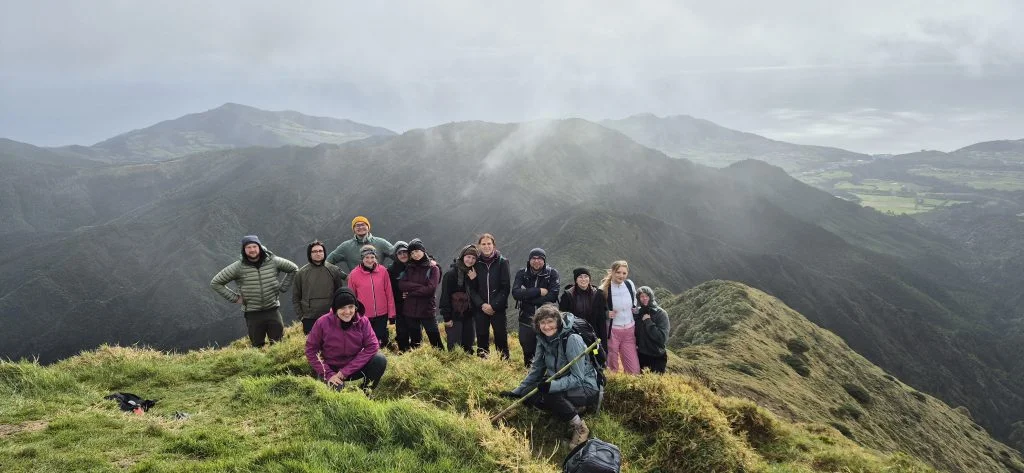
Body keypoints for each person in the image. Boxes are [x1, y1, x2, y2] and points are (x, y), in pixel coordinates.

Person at [499, 304, 596, 450]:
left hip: (585, 387)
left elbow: (578, 377)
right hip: (561, 383)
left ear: (557, 321)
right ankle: (565, 410)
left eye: (550, 321)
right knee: (528, 393)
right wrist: (517, 391)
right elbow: (537, 369)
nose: (547, 326)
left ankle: (579, 427)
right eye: (542, 323)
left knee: (550, 394)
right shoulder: (543, 339)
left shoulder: (572, 340)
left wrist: (552, 386)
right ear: (538, 325)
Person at [211, 235, 298, 348]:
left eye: (254, 246)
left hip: (272, 310)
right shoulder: (238, 267)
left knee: (278, 343)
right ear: (244, 250)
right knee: (257, 346)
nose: (252, 250)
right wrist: (235, 298)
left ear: (260, 247)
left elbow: (293, 269)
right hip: (253, 313)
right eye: (248, 247)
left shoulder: (273, 261)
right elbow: (216, 282)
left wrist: (283, 287)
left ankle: (277, 364)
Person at [305, 288, 388, 393]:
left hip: (353, 367)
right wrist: (328, 373)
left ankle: (365, 393)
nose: (347, 312)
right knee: (336, 396)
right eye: (342, 308)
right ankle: (328, 382)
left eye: (351, 307)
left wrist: (346, 371)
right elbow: (311, 350)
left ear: (355, 307)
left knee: (380, 360)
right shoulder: (322, 323)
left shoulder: (363, 321)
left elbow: (372, 346)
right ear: (335, 309)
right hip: (331, 369)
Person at [512, 248, 560, 367]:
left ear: (544, 260)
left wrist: (527, 297)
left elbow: (553, 296)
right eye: (534, 258)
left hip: (546, 319)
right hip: (526, 318)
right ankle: (529, 372)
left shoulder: (552, 274)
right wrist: (538, 291)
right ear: (529, 260)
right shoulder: (522, 273)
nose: (536, 261)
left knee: (548, 348)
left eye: (540, 258)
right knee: (527, 346)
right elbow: (515, 293)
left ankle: (547, 374)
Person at [292, 240, 347, 335]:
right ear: (309, 254)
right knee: (312, 346)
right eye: (314, 251)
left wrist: (337, 312)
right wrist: (301, 316)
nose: (318, 253)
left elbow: (339, 294)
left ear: (324, 253)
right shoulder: (301, 273)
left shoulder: (333, 270)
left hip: (330, 315)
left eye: (320, 251)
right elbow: (296, 297)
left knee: (331, 343)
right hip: (309, 318)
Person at [346, 245, 396, 348]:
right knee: (367, 341)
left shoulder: (383, 271)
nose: (370, 260)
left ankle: (383, 361)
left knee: (381, 340)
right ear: (362, 258)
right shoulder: (354, 274)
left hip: (382, 314)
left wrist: (392, 314)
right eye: (366, 257)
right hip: (364, 315)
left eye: (372, 257)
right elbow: (351, 297)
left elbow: (389, 293)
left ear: (375, 257)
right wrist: (352, 315)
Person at [399, 239, 443, 349]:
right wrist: (420, 287)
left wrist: (410, 293)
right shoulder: (409, 267)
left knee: (435, 340)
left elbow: (431, 289)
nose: (415, 255)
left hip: (426, 310)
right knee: (415, 342)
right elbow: (402, 285)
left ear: (423, 251)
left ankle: (441, 359)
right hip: (410, 311)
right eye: (412, 253)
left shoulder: (433, 268)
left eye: (417, 251)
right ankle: (417, 363)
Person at [473, 233, 511, 359]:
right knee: (482, 336)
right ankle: (483, 362)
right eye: (483, 244)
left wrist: (493, 306)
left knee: (500, 336)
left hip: (498, 308)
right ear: (479, 246)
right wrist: (482, 304)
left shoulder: (502, 262)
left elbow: (505, 288)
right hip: (481, 308)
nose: (486, 246)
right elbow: (472, 289)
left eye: (489, 243)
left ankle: (503, 363)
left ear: (494, 245)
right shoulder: (475, 263)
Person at [440, 244, 480, 354]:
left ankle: (466, 370)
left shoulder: (474, 274)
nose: (470, 260)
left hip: (469, 316)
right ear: (462, 256)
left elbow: (475, 294)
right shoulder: (451, 274)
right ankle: (453, 369)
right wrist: (447, 317)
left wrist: (473, 280)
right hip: (454, 316)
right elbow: (445, 296)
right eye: (468, 257)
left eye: (473, 258)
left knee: (468, 345)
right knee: (454, 348)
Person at [601, 260, 639, 374]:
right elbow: (597, 310)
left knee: (633, 368)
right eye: (618, 272)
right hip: (612, 331)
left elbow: (635, 300)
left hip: (629, 330)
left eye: (624, 273)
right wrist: (606, 314)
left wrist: (635, 308)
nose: (621, 276)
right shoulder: (603, 289)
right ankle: (612, 388)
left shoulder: (629, 284)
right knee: (612, 366)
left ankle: (632, 389)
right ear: (612, 272)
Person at [558, 267, 608, 353]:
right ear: (576, 280)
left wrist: (603, 343)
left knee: (595, 355)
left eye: (586, 276)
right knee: (579, 356)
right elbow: (564, 317)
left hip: (594, 335)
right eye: (580, 277)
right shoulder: (568, 295)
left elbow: (601, 319)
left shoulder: (598, 295)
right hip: (576, 334)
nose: (583, 279)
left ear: (589, 278)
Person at [326, 216, 396, 273]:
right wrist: (344, 276)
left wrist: (388, 271)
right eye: (357, 225)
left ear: (368, 227)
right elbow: (327, 262)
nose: (360, 227)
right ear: (353, 229)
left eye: (363, 224)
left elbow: (398, 257)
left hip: (379, 284)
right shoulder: (346, 246)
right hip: (357, 287)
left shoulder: (381, 243)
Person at [635, 286, 670, 373]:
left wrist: (648, 322)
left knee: (655, 385)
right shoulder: (637, 313)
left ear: (651, 297)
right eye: (642, 296)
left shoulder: (661, 314)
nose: (644, 298)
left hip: (657, 357)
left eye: (647, 296)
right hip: (641, 355)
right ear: (638, 299)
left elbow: (662, 338)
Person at [388, 240, 412, 352]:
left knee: (415, 330)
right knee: (402, 331)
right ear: (396, 255)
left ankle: (417, 352)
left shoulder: (415, 266)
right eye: (399, 253)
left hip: (415, 305)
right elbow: (389, 289)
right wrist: (399, 295)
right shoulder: (391, 270)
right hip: (400, 306)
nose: (403, 255)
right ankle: (403, 352)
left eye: (405, 252)